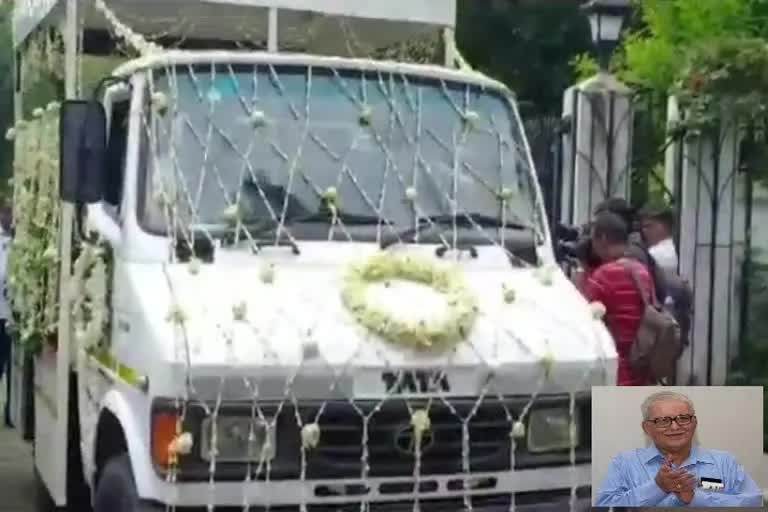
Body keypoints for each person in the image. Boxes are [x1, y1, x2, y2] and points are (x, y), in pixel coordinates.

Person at [595, 391, 763, 507]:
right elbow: (606, 507)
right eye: (663, 421)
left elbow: (753, 501)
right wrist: (657, 487)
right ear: (647, 428)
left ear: (694, 423)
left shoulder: (724, 462)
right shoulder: (624, 463)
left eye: (683, 418)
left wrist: (696, 498)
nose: (675, 427)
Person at [578, 211, 654, 385]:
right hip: (642, 365)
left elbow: (584, 317)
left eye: (593, 239)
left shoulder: (603, 275)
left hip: (616, 371)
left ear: (603, 238)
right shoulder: (641, 271)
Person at [639, 204, 679, 275]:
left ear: (665, 226)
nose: (643, 231)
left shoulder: (655, 253)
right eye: (643, 227)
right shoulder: (678, 248)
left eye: (648, 226)